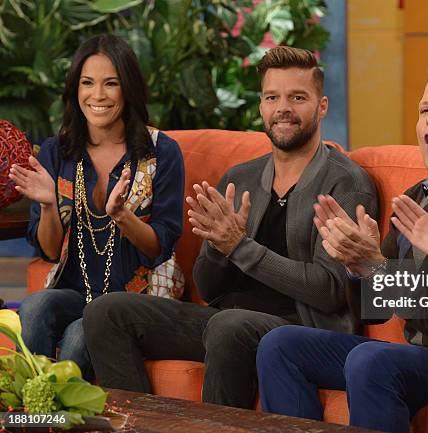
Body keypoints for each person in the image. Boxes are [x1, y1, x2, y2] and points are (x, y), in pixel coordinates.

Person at [83, 46, 378, 409]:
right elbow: (208, 289)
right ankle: (141, 422)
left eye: (297, 97)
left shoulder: (345, 183)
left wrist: (240, 247)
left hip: (298, 329)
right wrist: (220, 251)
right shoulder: (242, 177)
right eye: (272, 97)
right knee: (106, 312)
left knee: (229, 326)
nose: (282, 107)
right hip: (225, 321)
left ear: (322, 106)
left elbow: (330, 290)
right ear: (261, 107)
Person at [256, 56, 428, 433]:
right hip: (414, 353)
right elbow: (374, 311)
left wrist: (381, 268)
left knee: (371, 359)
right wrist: (357, 265)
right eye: (425, 109)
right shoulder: (417, 198)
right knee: (279, 345)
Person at [10, 34, 184, 380]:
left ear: (128, 89)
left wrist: (122, 216)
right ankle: (32, 416)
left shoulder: (160, 153)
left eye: (111, 84)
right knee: (33, 307)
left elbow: (159, 248)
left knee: (78, 336)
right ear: (76, 89)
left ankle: (64, 421)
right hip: (76, 291)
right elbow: (47, 251)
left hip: (133, 299)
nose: (98, 95)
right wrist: (47, 205)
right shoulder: (56, 152)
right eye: (87, 83)